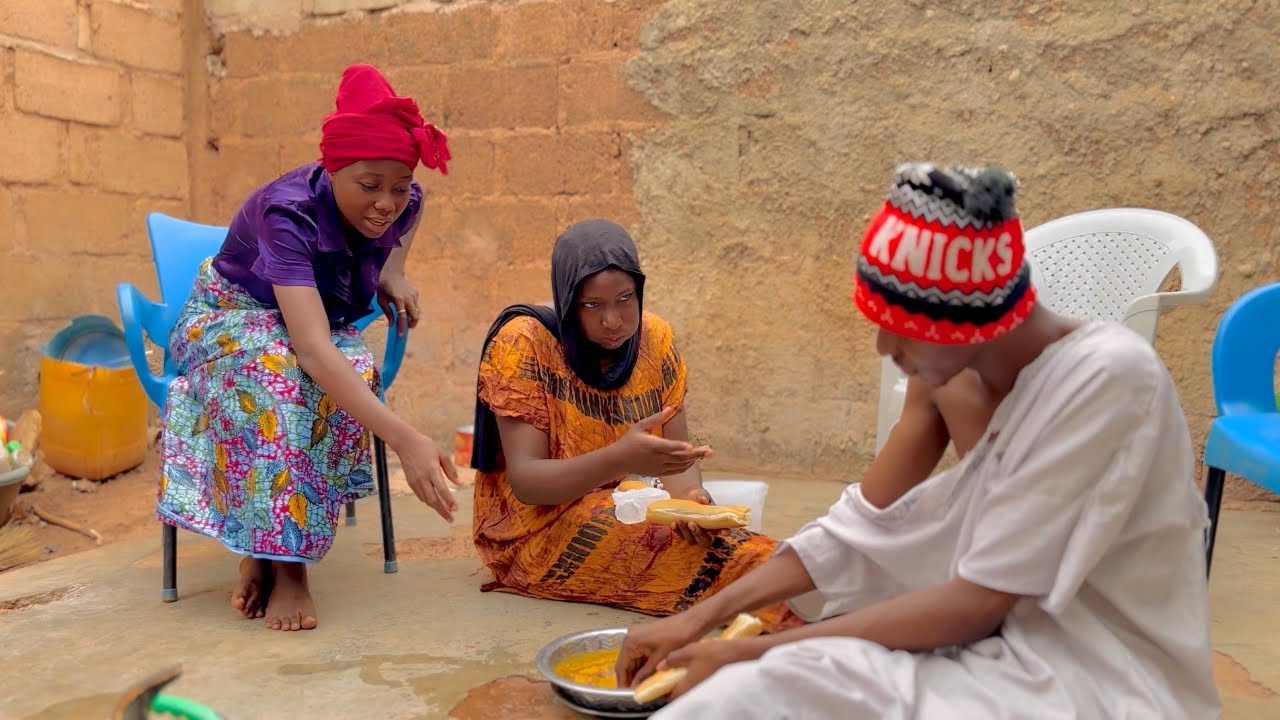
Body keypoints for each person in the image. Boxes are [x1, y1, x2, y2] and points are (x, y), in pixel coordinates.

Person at [615, 163, 1220, 718]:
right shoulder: (959, 377)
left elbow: (975, 604)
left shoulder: (1108, 376)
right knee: (767, 675)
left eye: (899, 331)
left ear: (969, 321)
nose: (885, 351)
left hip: (1099, 677)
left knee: (763, 683)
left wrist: (752, 653)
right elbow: (856, 529)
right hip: (1004, 646)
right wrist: (700, 619)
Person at [157, 64, 460, 632]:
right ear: (333, 169)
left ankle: (261, 551)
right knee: (285, 374)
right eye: (369, 186)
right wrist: (405, 438)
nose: (386, 204)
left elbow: (410, 211)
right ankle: (289, 567)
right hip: (232, 314)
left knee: (354, 370)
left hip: (311, 316)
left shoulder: (404, 200)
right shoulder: (288, 212)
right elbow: (315, 353)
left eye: (397, 186)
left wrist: (394, 269)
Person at [469, 219, 796, 628]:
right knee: (728, 566)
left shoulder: (655, 339)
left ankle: (803, 610)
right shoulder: (525, 343)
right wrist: (617, 458)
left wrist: (691, 501)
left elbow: (677, 460)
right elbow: (529, 482)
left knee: (728, 548)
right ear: (568, 299)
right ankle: (797, 622)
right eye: (592, 305)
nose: (613, 320)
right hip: (536, 532)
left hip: (625, 502)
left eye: (625, 298)